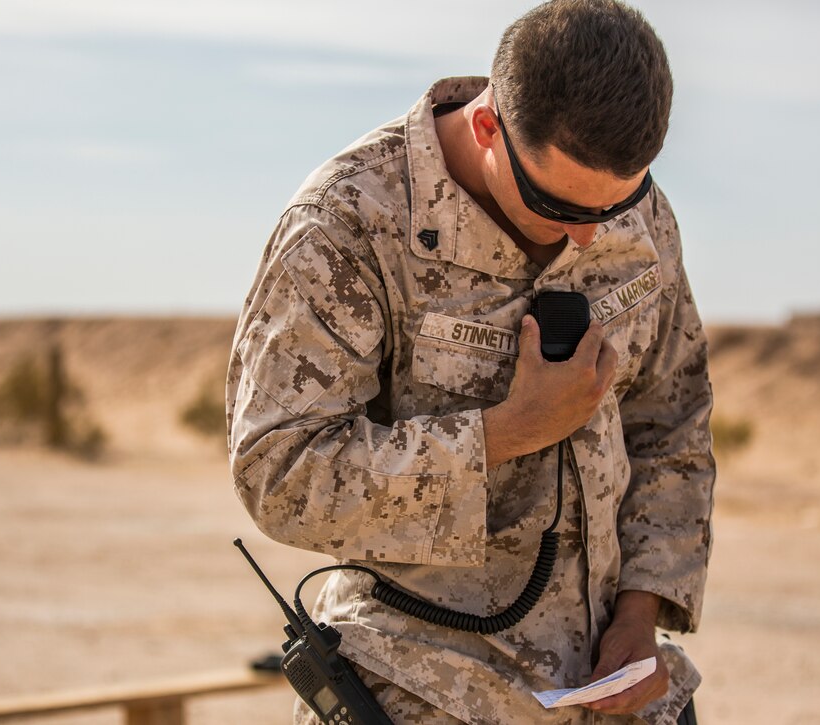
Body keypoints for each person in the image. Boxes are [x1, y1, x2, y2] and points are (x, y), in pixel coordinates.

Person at [226, 1, 715, 722]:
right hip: (418, 689)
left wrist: (642, 611)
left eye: (617, 205)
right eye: (557, 204)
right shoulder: (348, 222)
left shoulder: (634, 218)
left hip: (612, 694)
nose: (589, 239)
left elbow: (672, 420)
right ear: (488, 126)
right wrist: (503, 433)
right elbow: (279, 470)